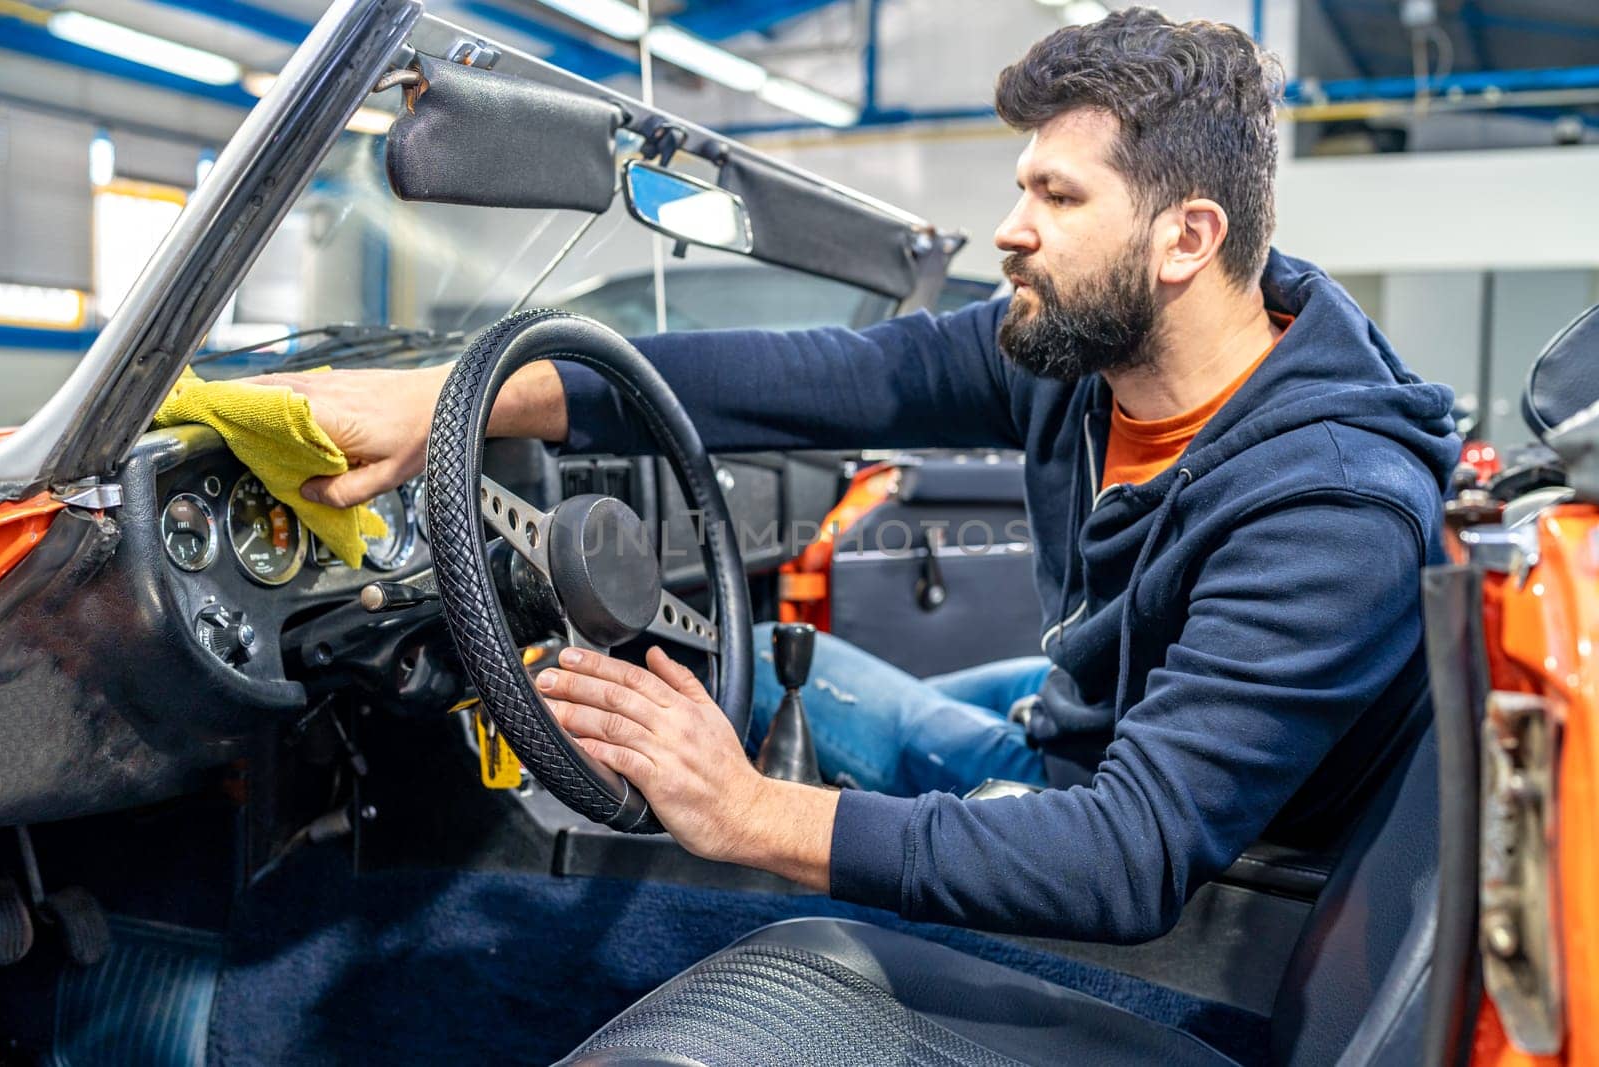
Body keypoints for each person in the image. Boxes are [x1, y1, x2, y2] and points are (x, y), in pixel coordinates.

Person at [266, 9, 1457, 942]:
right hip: (1093, 719)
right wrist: (452, 403)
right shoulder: (1086, 358)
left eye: (1055, 195)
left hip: (1186, 865)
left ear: (1185, 238)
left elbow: (1126, 857)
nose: (1009, 227)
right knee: (803, 673)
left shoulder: (1330, 509)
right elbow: (825, 375)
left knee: (767, 699)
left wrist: (747, 814)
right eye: (1019, 186)